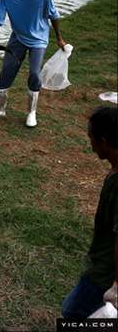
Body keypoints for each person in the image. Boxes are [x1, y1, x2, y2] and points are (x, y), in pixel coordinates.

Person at [61, 106, 117, 318]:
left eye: (90, 137)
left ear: (103, 141)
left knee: (73, 312)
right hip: (103, 265)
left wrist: (116, 285)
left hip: (105, 273)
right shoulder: (114, 169)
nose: (90, 143)